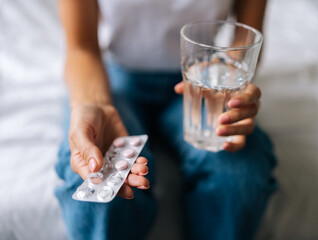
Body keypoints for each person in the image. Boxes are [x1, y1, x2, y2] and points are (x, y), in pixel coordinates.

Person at [55, 0, 277, 239]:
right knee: (100, 195)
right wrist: (93, 103)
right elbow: (81, 47)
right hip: (113, 82)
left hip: (200, 82)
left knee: (238, 179)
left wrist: (230, 82)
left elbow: (247, 37)